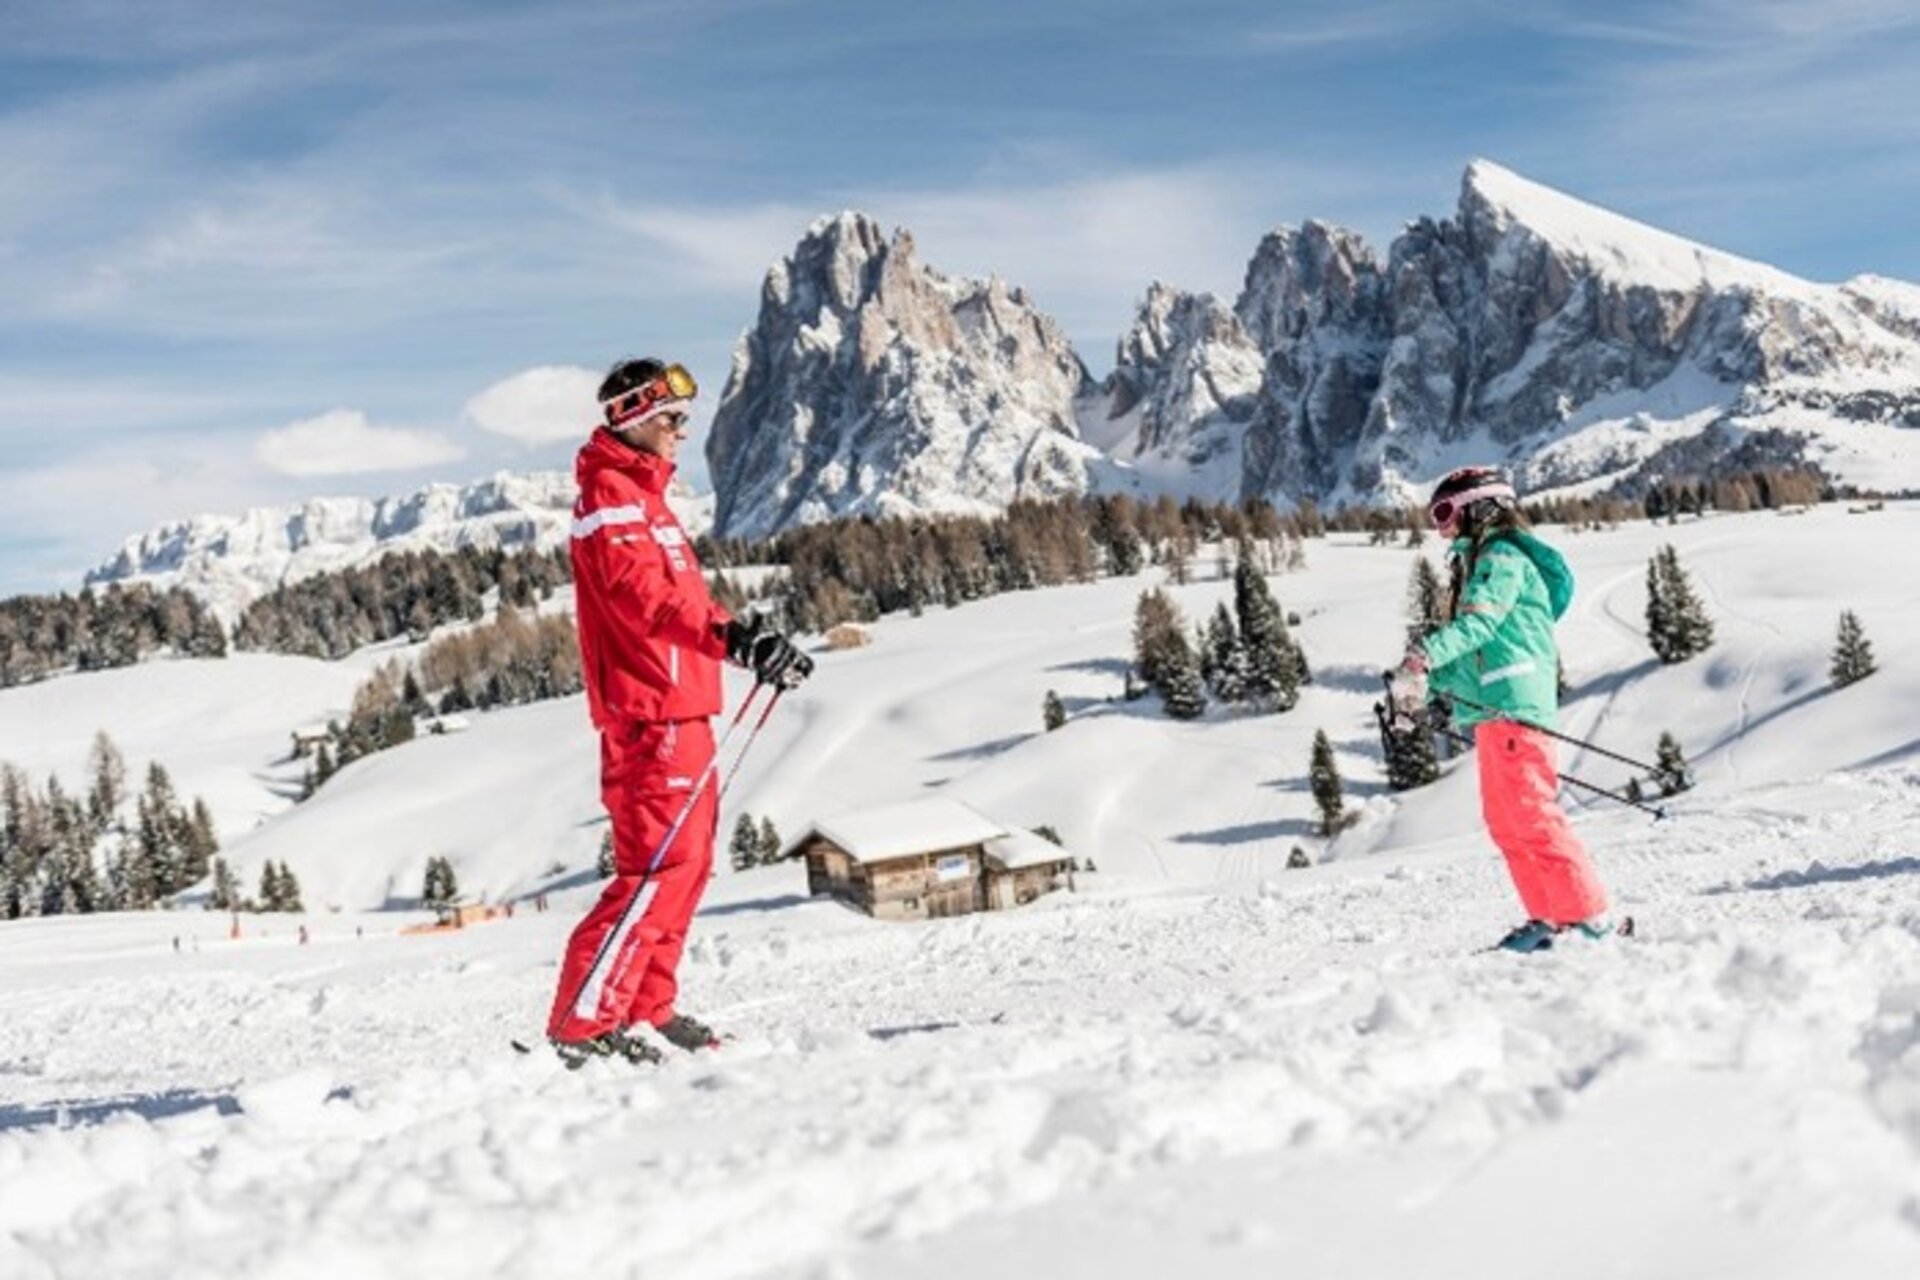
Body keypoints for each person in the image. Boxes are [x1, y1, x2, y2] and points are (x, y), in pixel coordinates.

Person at [546, 357, 812, 1068]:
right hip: (648, 715)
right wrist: (725, 639)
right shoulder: (610, 498)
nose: (681, 432)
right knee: (653, 873)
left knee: (688, 870)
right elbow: (643, 600)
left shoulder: (648, 499)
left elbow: (687, 604)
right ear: (634, 419)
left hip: (682, 708)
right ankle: (581, 1024)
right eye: (670, 419)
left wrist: (747, 642)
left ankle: (643, 1008)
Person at [1388, 466, 1615, 953]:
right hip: (1495, 711)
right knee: (1506, 822)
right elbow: (1468, 659)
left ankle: (1589, 919)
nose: (1441, 528)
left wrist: (1421, 657)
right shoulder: (1478, 562)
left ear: (1481, 509)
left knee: (1532, 814)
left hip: (1515, 704)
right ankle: (1550, 917)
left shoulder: (1501, 559)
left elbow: (1478, 628)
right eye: (1434, 517)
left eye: (1446, 513)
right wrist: (1419, 690)